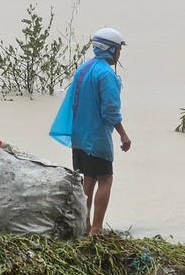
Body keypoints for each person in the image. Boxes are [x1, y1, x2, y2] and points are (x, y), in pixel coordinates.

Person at [49, 27, 132, 235]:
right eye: (118, 50)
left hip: (79, 135)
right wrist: (123, 134)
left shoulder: (83, 69)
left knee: (89, 178)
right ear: (110, 50)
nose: (119, 54)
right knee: (105, 179)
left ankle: (84, 226)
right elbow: (110, 110)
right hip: (96, 137)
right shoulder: (106, 75)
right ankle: (96, 228)